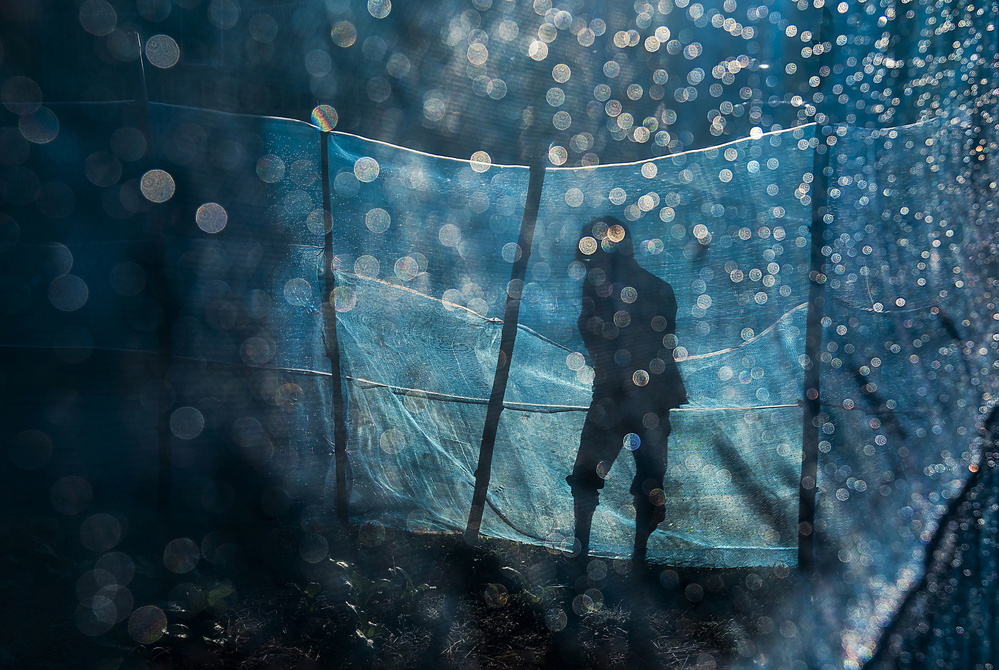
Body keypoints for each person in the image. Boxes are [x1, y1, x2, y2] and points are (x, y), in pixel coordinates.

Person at [566, 216, 687, 563]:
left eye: (594, 253)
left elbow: (608, 339)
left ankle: (610, 555)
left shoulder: (619, 290)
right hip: (634, 396)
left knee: (620, 477)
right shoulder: (639, 289)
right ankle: (623, 556)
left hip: (632, 397)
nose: (590, 263)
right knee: (634, 478)